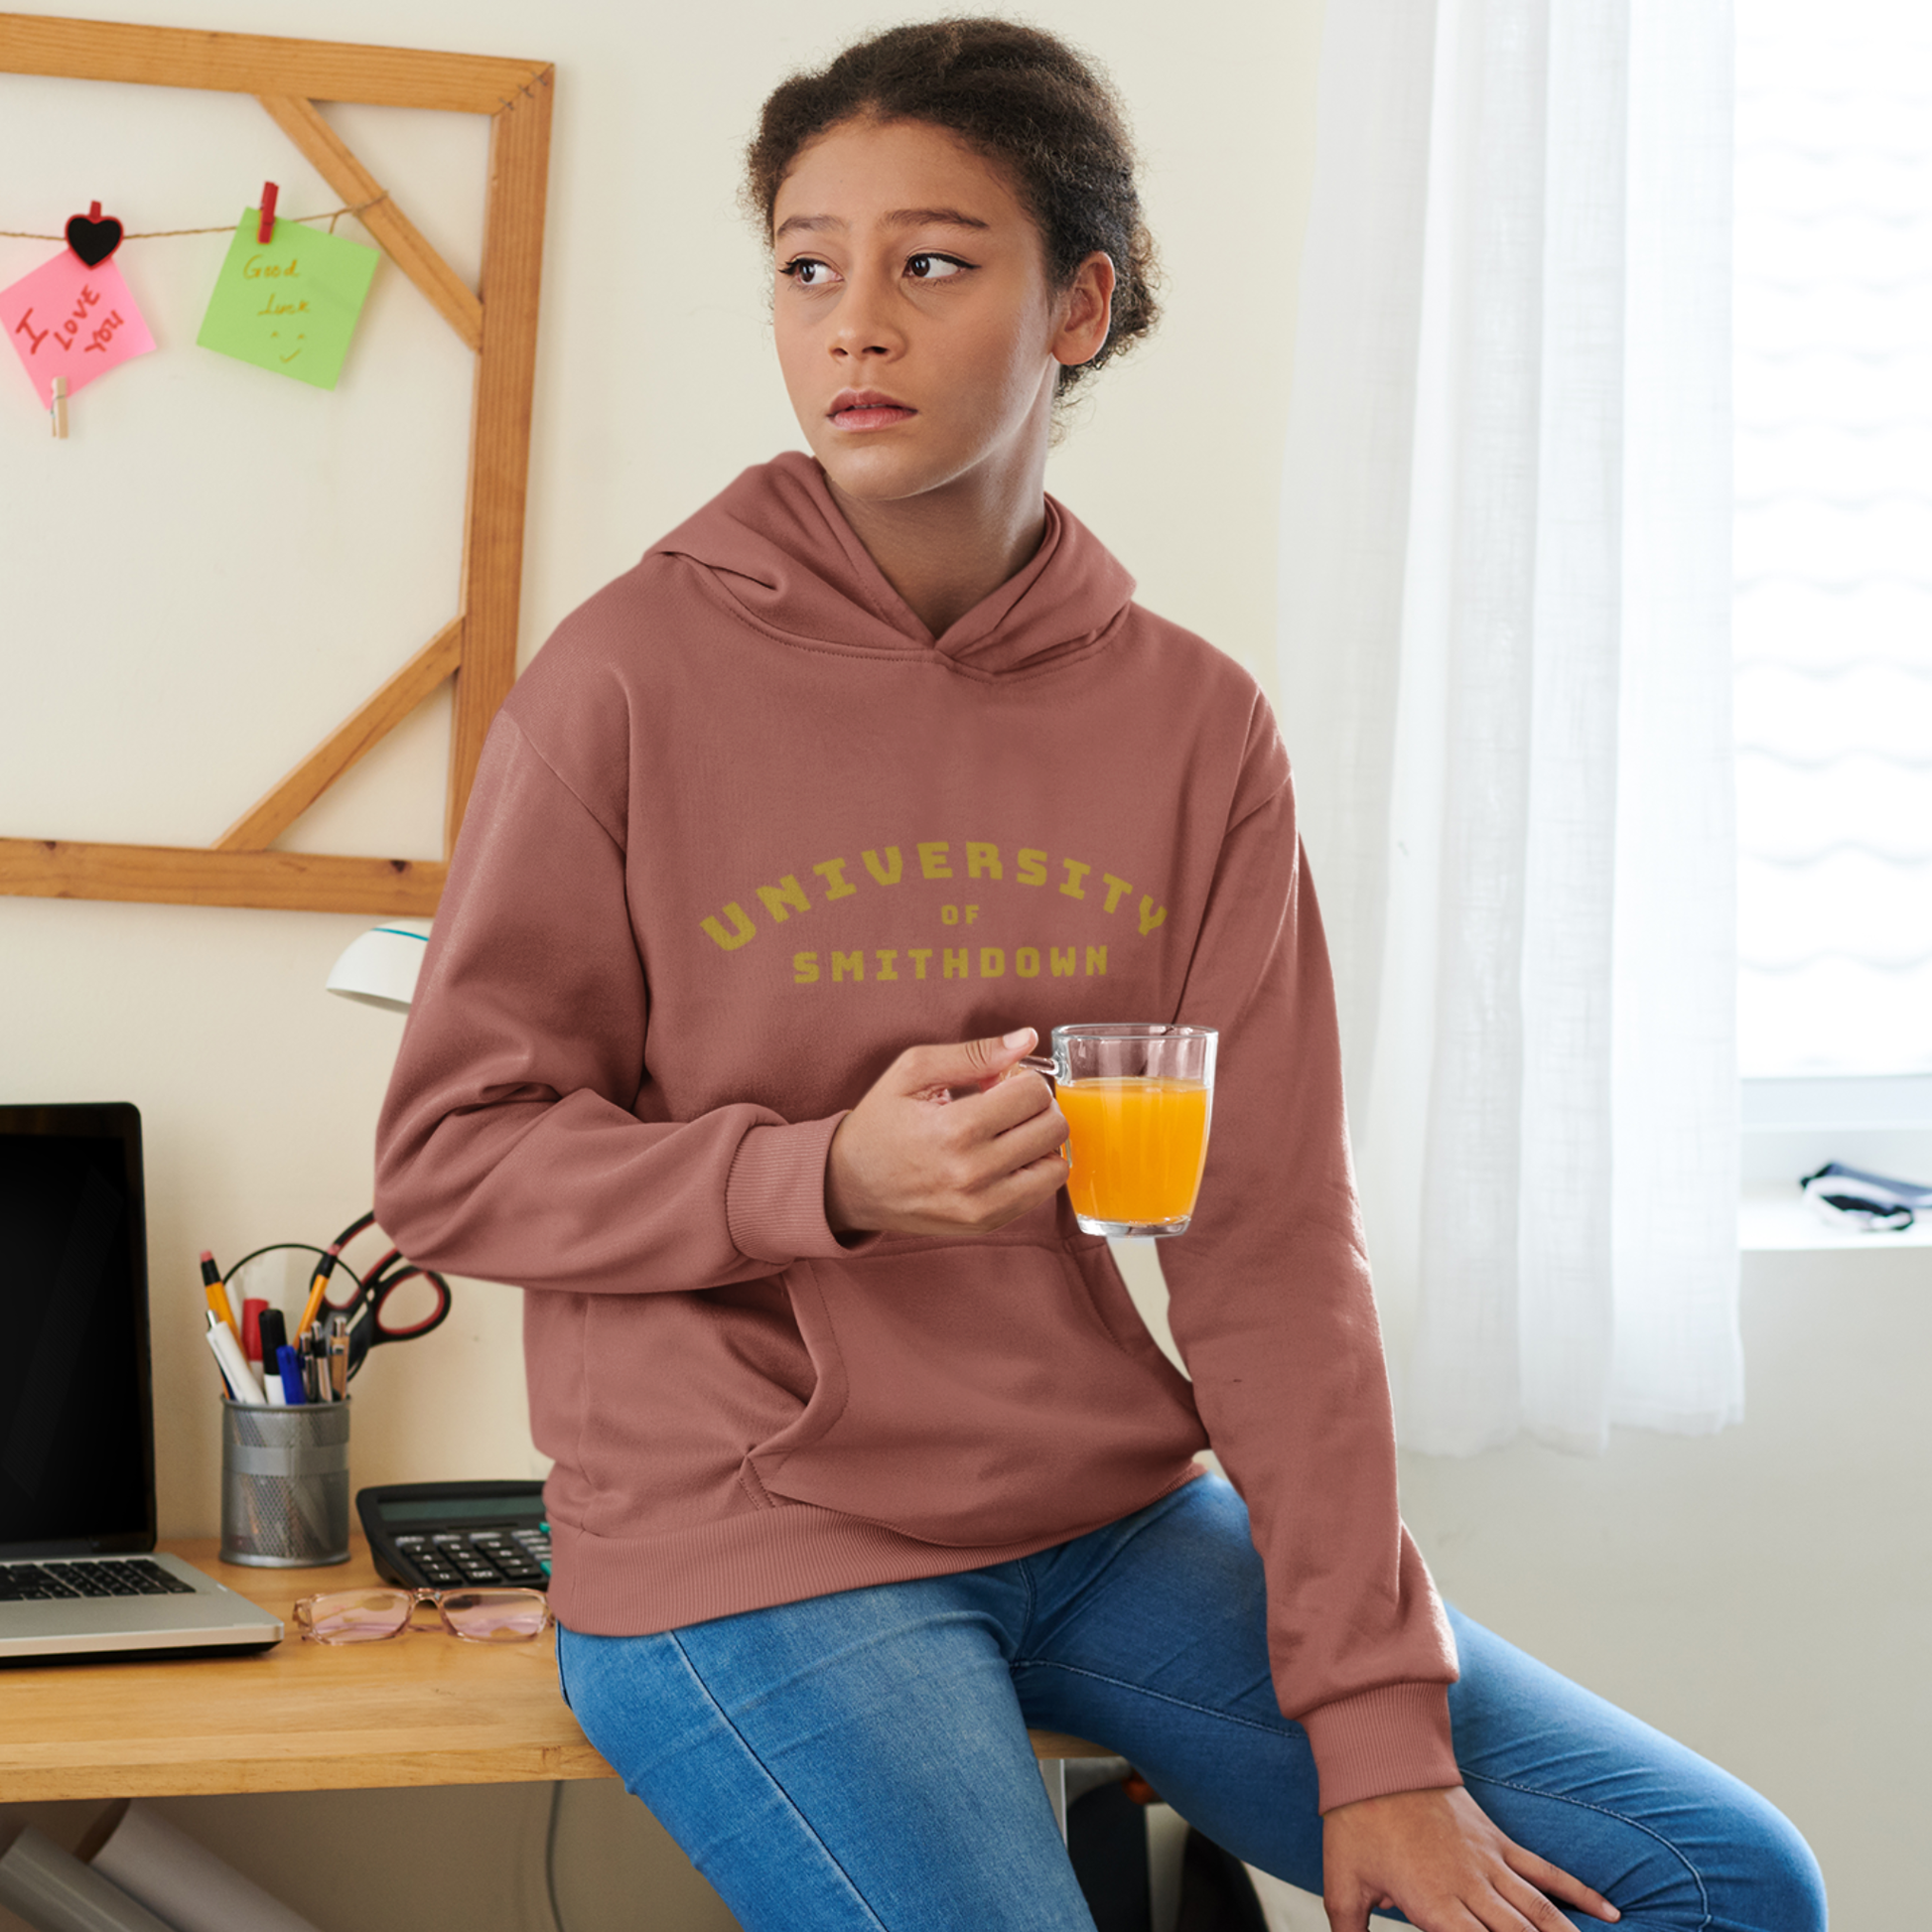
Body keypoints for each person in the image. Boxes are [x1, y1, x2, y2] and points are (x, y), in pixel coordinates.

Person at [373, 21, 1826, 1932]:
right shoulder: (626, 679)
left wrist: (1377, 1734)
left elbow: (1271, 1241)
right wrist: (820, 1179)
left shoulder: (1191, 725)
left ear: (1080, 302)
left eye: (932, 262)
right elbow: (453, 1159)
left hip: (1107, 1514)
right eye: (806, 266)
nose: (852, 325)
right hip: (750, 1535)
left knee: (1719, 1881)